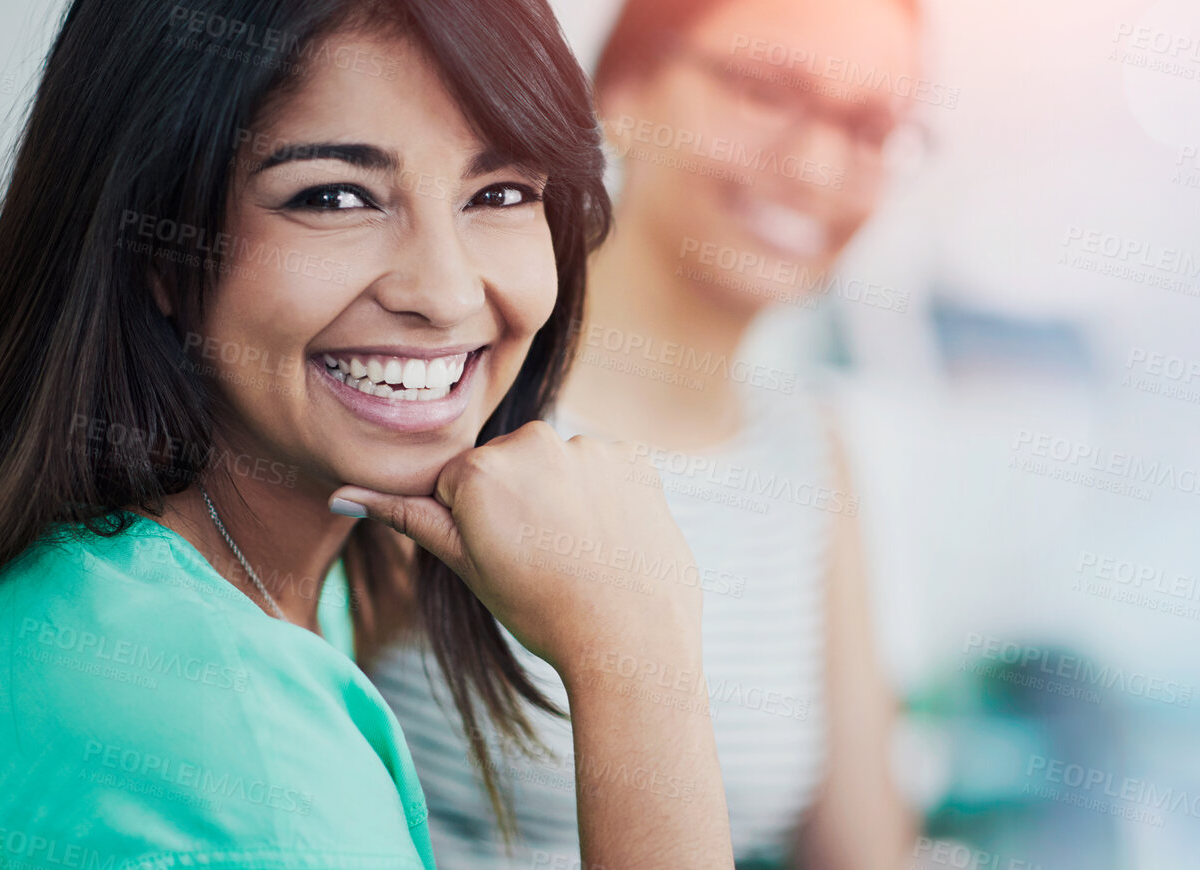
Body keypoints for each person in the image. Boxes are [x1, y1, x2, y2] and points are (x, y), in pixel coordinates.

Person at [0, 0, 734, 867]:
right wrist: (639, 670)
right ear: (156, 246)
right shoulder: (200, 741)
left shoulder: (239, 568)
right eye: (335, 197)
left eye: (501, 193)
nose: (443, 293)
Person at [368, 0, 926, 865]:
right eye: (764, 91)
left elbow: (862, 849)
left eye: (870, 128)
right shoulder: (451, 381)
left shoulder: (810, 448)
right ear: (622, 91)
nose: (818, 164)